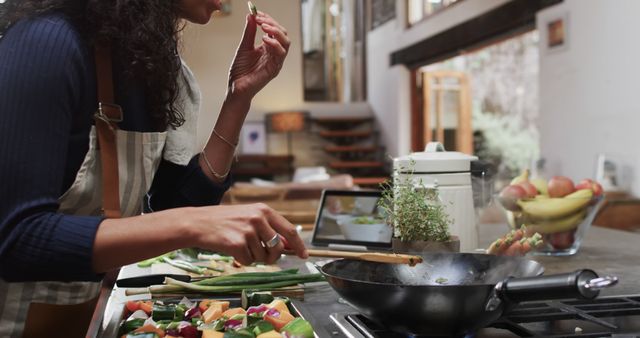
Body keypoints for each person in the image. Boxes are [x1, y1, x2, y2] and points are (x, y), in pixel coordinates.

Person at [0, 0, 308, 336]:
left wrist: (238, 98)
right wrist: (191, 223)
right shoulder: (47, 42)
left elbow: (177, 207)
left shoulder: (151, 63)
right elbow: (16, 238)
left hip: (77, 318)